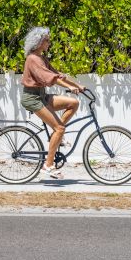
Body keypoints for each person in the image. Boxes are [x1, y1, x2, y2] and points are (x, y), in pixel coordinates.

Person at [21, 27, 85, 179]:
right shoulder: (32, 59)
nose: (49, 43)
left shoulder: (42, 58)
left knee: (73, 103)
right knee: (60, 128)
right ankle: (48, 165)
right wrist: (69, 87)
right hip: (32, 99)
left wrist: (77, 85)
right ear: (39, 42)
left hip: (41, 96)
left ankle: (56, 136)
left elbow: (57, 76)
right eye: (47, 40)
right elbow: (50, 78)